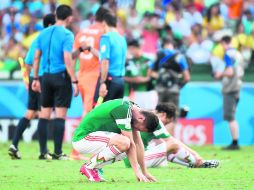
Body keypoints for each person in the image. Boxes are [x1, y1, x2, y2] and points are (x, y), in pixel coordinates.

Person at [72, 98, 158, 182]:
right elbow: (131, 143)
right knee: (124, 143)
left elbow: (138, 144)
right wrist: (137, 172)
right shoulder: (123, 110)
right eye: (140, 129)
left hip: (94, 139)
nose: (137, 131)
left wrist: (144, 172)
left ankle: (95, 167)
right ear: (141, 118)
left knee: (126, 150)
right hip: (82, 138)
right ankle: (89, 167)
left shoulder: (134, 112)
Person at [32, 5, 79, 160]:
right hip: (61, 77)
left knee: (44, 114)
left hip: (45, 77)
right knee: (60, 115)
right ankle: (58, 152)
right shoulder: (67, 34)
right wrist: (74, 80)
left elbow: (37, 57)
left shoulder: (42, 33)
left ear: (56, 15)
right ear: (69, 18)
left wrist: (36, 78)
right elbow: (67, 58)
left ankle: (42, 152)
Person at [8, 13, 56, 159]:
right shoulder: (50, 39)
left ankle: (14, 145)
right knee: (44, 114)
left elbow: (28, 62)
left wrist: (30, 80)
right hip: (44, 79)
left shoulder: (36, 39)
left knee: (30, 112)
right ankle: (43, 152)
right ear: (51, 25)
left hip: (33, 78)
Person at [124, 102, 219, 168]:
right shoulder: (155, 120)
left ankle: (193, 164)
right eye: (167, 122)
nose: (165, 125)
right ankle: (198, 162)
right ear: (164, 115)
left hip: (131, 158)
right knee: (173, 145)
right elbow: (172, 142)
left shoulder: (144, 115)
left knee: (166, 150)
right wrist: (196, 154)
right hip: (136, 161)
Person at [70, 7, 110, 160]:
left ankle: (91, 149)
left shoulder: (82, 32)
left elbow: (72, 57)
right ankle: (76, 151)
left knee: (87, 113)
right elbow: (104, 58)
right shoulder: (104, 34)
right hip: (94, 78)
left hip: (81, 76)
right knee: (89, 114)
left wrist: (73, 79)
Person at [214, 35, 244, 150]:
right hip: (238, 86)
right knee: (232, 115)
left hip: (230, 88)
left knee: (230, 117)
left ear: (223, 43)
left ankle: (235, 143)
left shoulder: (228, 54)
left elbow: (230, 72)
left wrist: (220, 74)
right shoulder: (238, 54)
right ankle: (235, 142)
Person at [94, 13, 127, 102]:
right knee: (115, 114)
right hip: (120, 82)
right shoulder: (122, 39)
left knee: (99, 112)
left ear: (104, 24)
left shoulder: (106, 38)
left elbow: (105, 61)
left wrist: (103, 82)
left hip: (109, 81)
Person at [125, 39, 158, 109]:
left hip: (149, 92)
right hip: (136, 93)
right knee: (138, 115)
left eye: (132, 49)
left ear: (138, 48)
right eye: (129, 49)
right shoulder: (130, 62)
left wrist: (146, 78)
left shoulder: (149, 60)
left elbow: (155, 75)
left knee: (151, 114)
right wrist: (140, 79)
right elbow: (125, 77)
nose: (131, 51)